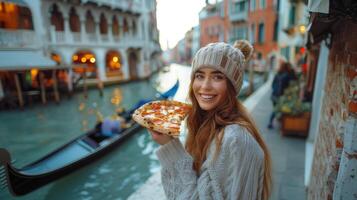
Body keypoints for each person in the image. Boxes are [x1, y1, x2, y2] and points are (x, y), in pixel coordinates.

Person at [147, 40, 272, 200]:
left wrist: (170, 146)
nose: (205, 86)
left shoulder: (234, 139)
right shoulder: (207, 127)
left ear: (232, 86)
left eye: (217, 77)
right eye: (199, 76)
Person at [267, 61, 296, 129]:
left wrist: (275, 90)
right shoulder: (287, 75)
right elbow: (293, 80)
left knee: (275, 109)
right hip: (279, 96)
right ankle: (271, 123)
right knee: (276, 110)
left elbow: (272, 85)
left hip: (274, 95)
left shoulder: (277, 74)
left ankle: (272, 122)